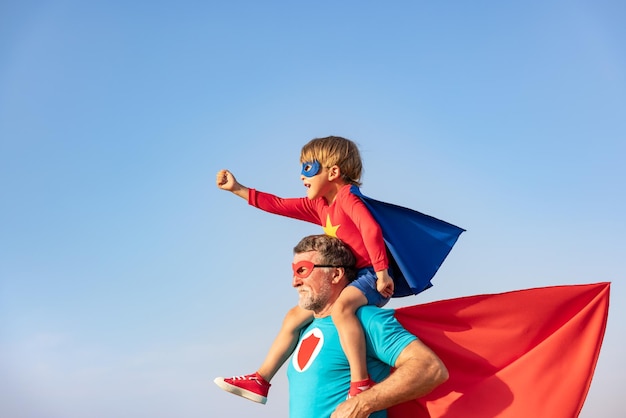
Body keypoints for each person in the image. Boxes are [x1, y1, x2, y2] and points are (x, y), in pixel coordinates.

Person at [214, 136, 396, 402]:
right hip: (348, 278)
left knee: (343, 309)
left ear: (333, 172)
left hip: (370, 277)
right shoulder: (320, 205)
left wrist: (381, 273)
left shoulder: (347, 197)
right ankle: (260, 379)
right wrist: (237, 188)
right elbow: (277, 204)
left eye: (309, 168)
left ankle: (361, 384)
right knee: (292, 317)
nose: (301, 176)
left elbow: (370, 229)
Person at [219, 234, 449, 418]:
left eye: (303, 271)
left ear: (336, 274)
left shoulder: (365, 319)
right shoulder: (303, 327)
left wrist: (362, 403)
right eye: (293, 272)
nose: (294, 282)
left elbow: (430, 368)